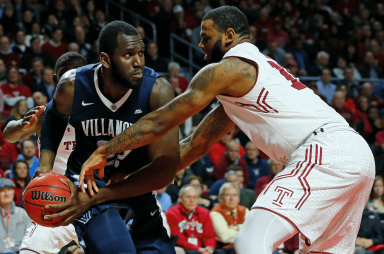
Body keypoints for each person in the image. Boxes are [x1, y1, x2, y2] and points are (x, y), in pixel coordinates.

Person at [48, 7, 374, 254]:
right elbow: (194, 146)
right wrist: (133, 178)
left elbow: (163, 120)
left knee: (251, 240)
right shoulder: (250, 82)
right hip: (354, 156)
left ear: (229, 36)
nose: (200, 44)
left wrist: (103, 151)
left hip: (321, 153)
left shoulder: (229, 68)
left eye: (206, 36)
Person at [37, 21, 179, 254]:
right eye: (128, 55)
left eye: (141, 53)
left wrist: (131, 178)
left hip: (135, 185)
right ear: (105, 59)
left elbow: (164, 169)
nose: (139, 62)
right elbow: (53, 118)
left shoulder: (157, 91)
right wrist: (45, 165)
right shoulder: (73, 85)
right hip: (88, 186)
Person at [3, 52, 87, 254]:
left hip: (92, 197)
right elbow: (8, 134)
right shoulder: (47, 113)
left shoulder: (100, 112)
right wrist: (23, 125)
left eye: (78, 75)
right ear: (56, 80)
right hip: (54, 197)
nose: (71, 80)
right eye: (67, 74)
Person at [165, 185, 222, 254]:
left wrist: (209, 248)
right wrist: (199, 249)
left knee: (219, 252)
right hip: (185, 249)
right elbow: (178, 239)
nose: (191, 200)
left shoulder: (204, 212)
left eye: (194, 197)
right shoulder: (171, 213)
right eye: (188, 197)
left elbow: (209, 236)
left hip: (203, 249)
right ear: (180, 198)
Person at [210, 182, 249, 254]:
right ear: (221, 197)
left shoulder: (244, 210)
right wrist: (245, 231)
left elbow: (254, 230)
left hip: (244, 245)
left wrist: (236, 227)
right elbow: (224, 237)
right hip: (225, 248)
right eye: (228, 195)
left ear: (238, 198)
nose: (231, 199)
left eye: (235, 195)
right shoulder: (215, 212)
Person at [0, 178, 30, 253]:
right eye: (2, 191)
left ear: (13, 193)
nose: (6, 194)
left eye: (9, 190)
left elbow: (31, 239)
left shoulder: (23, 213)